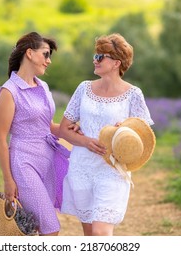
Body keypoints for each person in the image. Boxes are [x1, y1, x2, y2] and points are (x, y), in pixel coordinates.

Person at [59, 33, 154, 236]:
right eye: (95, 55)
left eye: (101, 57)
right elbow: (64, 129)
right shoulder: (83, 89)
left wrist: (127, 127)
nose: (95, 60)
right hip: (81, 167)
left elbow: (143, 133)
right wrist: (85, 141)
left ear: (116, 63)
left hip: (112, 168)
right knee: (90, 233)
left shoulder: (133, 94)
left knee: (101, 232)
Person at [0, 32, 79, 236]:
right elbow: (0, 138)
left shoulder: (44, 87)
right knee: (51, 229)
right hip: (24, 163)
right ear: (30, 53)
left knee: (38, 229)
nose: (48, 61)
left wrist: (71, 130)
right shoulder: (9, 91)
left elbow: (48, 126)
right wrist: (8, 180)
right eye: (46, 54)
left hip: (47, 161)